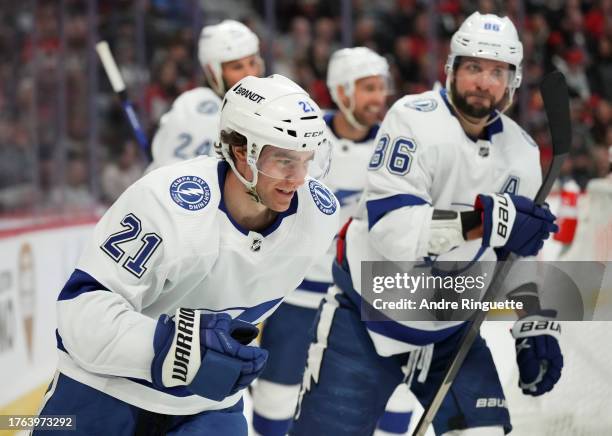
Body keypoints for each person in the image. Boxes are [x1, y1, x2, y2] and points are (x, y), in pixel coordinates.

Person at [291, 12, 561, 436]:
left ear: (513, 81)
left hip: (450, 331)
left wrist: (533, 325)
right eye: (473, 67)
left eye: (497, 72)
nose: (483, 81)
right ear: (451, 69)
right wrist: (483, 222)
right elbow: (392, 229)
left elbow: (519, 254)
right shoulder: (412, 118)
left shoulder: (523, 153)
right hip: (367, 318)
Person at [35, 74, 339, 436]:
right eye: (284, 160)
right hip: (102, 392)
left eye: (307, 159)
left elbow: (363, 262)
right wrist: (168, 347)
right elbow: (80, 311)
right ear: (241, 151)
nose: (299, 178)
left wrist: (420, 304)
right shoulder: (166, 203)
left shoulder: (318, 215)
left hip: (208, 406)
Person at [251, 47, 415, 436]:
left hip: (364, 300)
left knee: (391, 400)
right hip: (297, 296)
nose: (379, 98)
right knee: (274, 400)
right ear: (341, 92)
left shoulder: (397, 146)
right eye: (368, 88)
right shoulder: (302, 137)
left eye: (381, 87)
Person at [147, 20, 263, 171]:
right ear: (214, 72)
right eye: (237, 67)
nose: (249, 75)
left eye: (252, 63)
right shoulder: (196, 105)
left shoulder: (267, 105)